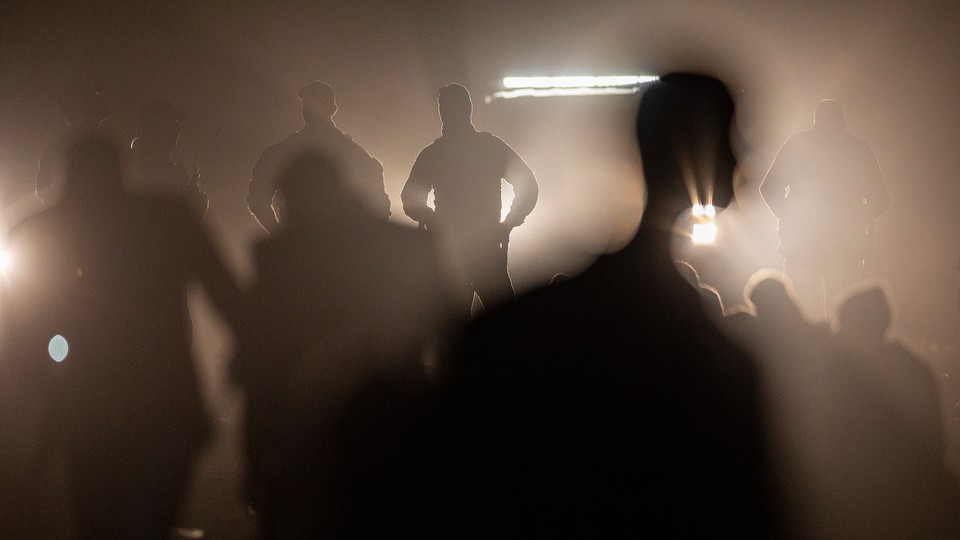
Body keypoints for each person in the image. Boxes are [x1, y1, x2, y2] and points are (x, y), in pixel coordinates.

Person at [437, 73, 772, 537]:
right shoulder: (716, 363)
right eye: (734, 138)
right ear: (700, 150)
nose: (744, 159)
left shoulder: (513, 330)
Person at [2, 135, 242, 539]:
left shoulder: (38, 230)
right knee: (151, 519)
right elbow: (229, 299)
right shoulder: (168, 217)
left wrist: (44, 403)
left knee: (99, 520)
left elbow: (26, 344)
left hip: (84, 410)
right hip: (164, 404)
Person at [235, 151, 452, 538]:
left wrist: (256, 457)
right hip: (399, 421)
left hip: (305, 426)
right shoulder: (410, 245)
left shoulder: (278, 258)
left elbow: (260, 364)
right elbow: (451, 328)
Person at [401, 83, 538, 315]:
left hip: (454, 251)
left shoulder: (435, 153)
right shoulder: (489, 147)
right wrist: (509, 223)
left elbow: (410, 199)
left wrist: (433, 222)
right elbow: (529, 185)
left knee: (454, 324)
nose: (445, 113)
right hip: (480, 248)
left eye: (446, 107)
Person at [760, 99, 890, 318]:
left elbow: (768, 188)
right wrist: (858, 220)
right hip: (843, 245)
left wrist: (790, 219)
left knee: (799, 312)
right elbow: (881, 200)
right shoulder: (858, 149)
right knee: (842, 314)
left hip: (804, 244)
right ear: (843, 122)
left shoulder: (797, 144)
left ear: (815, 121)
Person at [246, 81, 390, 235]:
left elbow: (380, 203)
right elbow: (380, 204)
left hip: (319, 240)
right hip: (332, 241)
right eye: (307, 105)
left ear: (332, 109)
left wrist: (280, 236)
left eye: (316, 104)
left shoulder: (282, 151)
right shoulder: (354, 152)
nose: (310, 110)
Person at [130, 98, 209, 220]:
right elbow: (172, 217)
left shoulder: (139, 158)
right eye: (171, 122)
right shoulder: (150, 166)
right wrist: (194, 197)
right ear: (156, 128)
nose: (178, 128)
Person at [36, 82, 110, 206]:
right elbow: (44, 189)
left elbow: (43, 189)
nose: (104, 99)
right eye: (96, 95)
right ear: (84, 105)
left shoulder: (57, 146)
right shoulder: (104, 148)